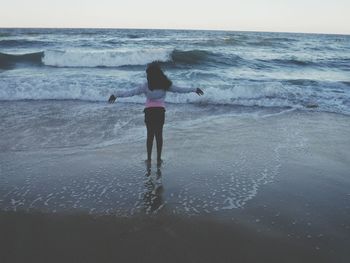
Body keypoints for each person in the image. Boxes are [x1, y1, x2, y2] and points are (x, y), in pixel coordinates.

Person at [108, 61, 204, 165]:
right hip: (160, 112)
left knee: (150, 136)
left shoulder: (145, 86)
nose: (147, 76)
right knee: (159, 135)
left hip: (149, 112)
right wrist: (194, 89)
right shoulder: (165, 84)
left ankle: (149, 159)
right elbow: (180, 90)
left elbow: (130, 92)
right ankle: (159, 158)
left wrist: (116, 95)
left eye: (148, 74)